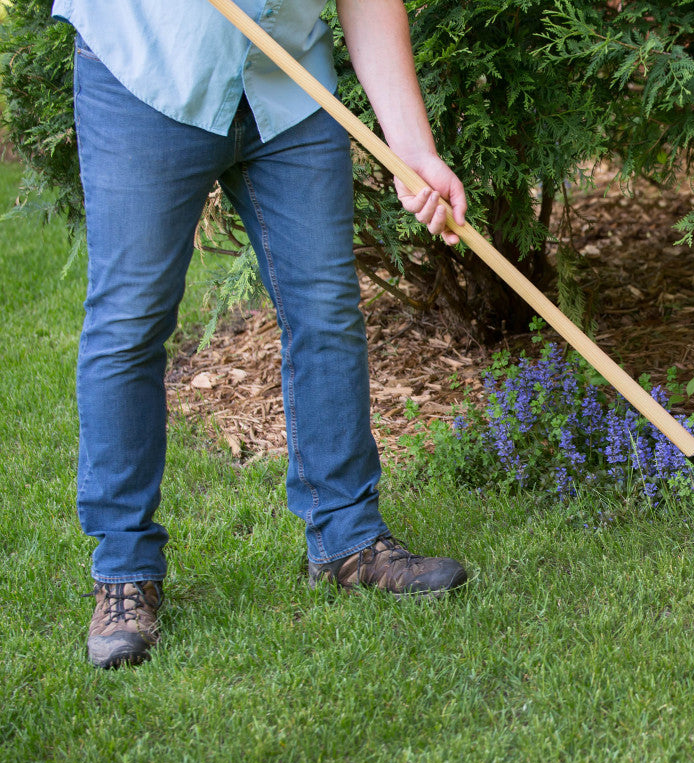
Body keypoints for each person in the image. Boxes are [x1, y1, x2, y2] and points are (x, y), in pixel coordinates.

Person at [54, 0, 470, 669]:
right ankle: (124, 571)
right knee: (130, 323)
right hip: (147, 75)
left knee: (326, 310)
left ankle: (347, 540)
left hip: (288, 85)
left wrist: (412, 148)